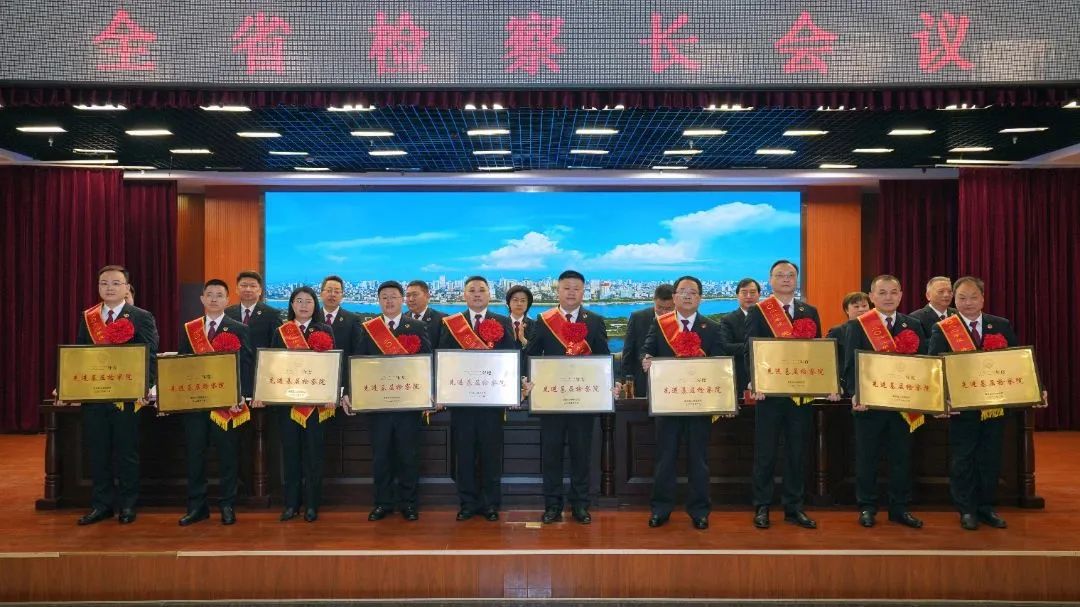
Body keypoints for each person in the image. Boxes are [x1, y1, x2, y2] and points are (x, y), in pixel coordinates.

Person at [928, 276, 1046, 530]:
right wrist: (942, 398)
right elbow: (934, 367)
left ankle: (986, 507)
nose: (968, 302)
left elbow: (1017, 362)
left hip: (994, 406)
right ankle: (966, 509)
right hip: (962, 409)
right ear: (954, 300)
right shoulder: (944, 328)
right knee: (963, 459)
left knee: (990, 457)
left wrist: (1036, 389)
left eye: (973, 297)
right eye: (962, 298)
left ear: (982, 298)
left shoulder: (1000, 325)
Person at [746, 260, 838, 530]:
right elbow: (750, 348)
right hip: (769, 394)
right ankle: (762, 506)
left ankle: (794, 507)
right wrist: (755, 381)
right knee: (766, 453)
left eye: (790, 275)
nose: (786, 279)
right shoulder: (759, 311)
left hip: (800, 394)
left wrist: (825, 382)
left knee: (797, 452)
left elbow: (816, 352)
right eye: (780, 275)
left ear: (797, 279)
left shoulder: (809, 311)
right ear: (770, 280)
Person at [67, 265, 159, 526]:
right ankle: (101, 505)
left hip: (127, 398)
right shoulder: (89, 317)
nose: (109, 287)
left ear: (127, 288)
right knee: (98, 452)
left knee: (126, 452)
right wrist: (69, 384)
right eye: (104, 283)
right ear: (98, 287)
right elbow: (80, 355)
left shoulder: (141, 316)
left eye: (116, 283)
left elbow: (150, 355)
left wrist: (145, 386)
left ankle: (128, 504)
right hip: (95, 396)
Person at [525, 270, 610, 525]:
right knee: (551, 454)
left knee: (581, 455)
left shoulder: (595, 321)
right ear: (558, 291)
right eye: (566, 288)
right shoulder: (544, 320)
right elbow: (530, 354)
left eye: (576, 288)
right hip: (551, 400)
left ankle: (580, 505)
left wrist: (609, 384)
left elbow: (603, 358)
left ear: (583, 292)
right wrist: (526, 380)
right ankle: (552, 505)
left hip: (583, 401)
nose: (571, 292)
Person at [842, 275, 926, 529]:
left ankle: (899, 508)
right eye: (882, 292)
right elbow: (849, 365)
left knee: (902, 458)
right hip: (869, 406)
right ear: (872, 296)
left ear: (901, 295)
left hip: (903, 405)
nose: (888, 297)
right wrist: (855, 393)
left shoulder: (913, 324)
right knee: (867, 459)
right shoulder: (858, 325)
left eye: (893, 292)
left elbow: (923, 365)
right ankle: (867, 507)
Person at [641, 275, 723, 530]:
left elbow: (719, 362)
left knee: (699, 460)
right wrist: (646, 359)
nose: (687, 295)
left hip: (699, 404)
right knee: (665, 459)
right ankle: (660, 509)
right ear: (674, 296)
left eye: (693, 292)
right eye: (683, 291)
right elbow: (647, 349)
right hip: (669, 403)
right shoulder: (660, 324)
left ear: (700, 298)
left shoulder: (712, 327)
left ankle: (700, 511)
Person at [350, 280, 432, 522]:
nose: (389, 301)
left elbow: (426, 361)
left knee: (408, 456)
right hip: (379, 406)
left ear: (402, 300)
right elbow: (359, 363)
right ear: (379, 301)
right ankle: (382, 503)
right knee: (381, 457)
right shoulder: (368, 328)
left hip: (408, 405)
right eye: (384, 297)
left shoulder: (416, 326)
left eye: (393, 296)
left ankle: (409, 503)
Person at [438, 276, 518, 521]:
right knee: (464, 455)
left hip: (491, 403)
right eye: (471, 290)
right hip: (462, 403)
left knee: (490, 455)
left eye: (481, 290)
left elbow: (512, 357)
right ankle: (468, 503)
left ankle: (490, 504)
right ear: (464, 295)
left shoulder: (502, 322)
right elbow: (443, 360)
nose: (476, 294)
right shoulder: (452, 324)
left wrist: (513, 389)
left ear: (489, 294)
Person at [177, 279, 254, 527]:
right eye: (209, 294)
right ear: (202, 299)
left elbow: (246, 365)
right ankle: (196, 507)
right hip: (196, 403)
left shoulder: (238, 328)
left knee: (228, 456)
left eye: (219, 295)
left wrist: (240, 394)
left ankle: (227, 505)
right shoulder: (190, 329)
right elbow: (181, 364)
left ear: (227, 300)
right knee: (195, 456)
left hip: (226, 405)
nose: (213, 299)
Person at [257, 286, 336, 523]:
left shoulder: (324, 330)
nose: (303, 305)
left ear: (315, 305)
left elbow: (332, 366)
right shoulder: (282, 331)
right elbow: (272, 366)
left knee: (314, 456)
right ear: (291, 305)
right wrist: (263, 391)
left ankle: (312, 505)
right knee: (290, 455)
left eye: (308, 301)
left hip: (316, 406)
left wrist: (332, 392)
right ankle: (291, 504)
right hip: (288, 404)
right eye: (298, 301)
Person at [621, 284, 675, 398]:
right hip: (643, 380)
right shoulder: (638, 317)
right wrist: (625, 382)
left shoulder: (680, 320)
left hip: (672, 381)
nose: (664, 312)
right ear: (654, 300)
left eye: (669, 309)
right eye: (660, 307)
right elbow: (628, 352)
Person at [320, 275, 365, 395]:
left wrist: (349, 388)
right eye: (329, 290)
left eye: (337, 291)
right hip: (316, 378)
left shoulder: (353, 319)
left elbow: (357, 353)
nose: (332, 294)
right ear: (321, 293)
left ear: (342, 295)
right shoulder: (312, 318)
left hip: (342, 381)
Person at [719, 278, 761, 400]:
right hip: (740, 377)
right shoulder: (728, 320)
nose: (748, 296)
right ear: (737, 295)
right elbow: (726, 346)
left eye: (752, 292)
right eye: (744, 292)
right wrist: (757, 347)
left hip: (767, 375)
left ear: (759, 295)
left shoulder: (766, 318)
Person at [225, 270, 283, 350]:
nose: (248, 289)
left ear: (260, 291)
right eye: (244, 285)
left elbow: (277, 346)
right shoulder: (227, 313)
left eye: (253, 286)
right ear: (237, 290)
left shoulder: (272, 314)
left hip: (260, 358)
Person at [827, 291, 870, 368]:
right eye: (856, 306)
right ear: (847, 310)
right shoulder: (836, 331)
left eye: (864, 306)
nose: (861, 309)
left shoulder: (876, 330)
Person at [405, 280, 446, 349]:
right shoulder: (401, 319)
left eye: (415, 295)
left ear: (427, 296)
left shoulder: (442, 320)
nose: (411, 299)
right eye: (408, 295)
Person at [505, 285, 535, 350]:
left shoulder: (535, 325)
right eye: (515, 300)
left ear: (528, 304)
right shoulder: (501, 324)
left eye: (523, 301)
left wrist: (523, 340)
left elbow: (537, 351)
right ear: (508, 303)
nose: (519, 304)